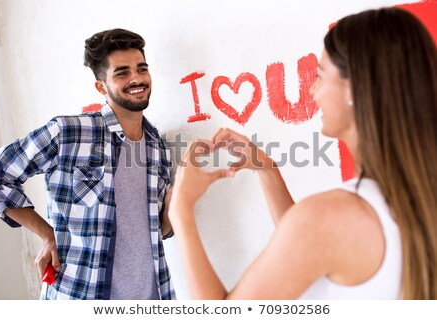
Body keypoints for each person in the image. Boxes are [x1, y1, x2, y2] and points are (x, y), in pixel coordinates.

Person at [169, 7, 437, 299]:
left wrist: (180, 208)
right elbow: (305, 249)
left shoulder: (330, 217)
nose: (311, 91)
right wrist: (266, 167)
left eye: (320, 76)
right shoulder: (416, 197)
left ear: (355, 89)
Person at [0, 29, 176, 300]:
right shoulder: (69, 132)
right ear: (102, 86)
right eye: (122, 72)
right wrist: (47, 234)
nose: (136, 79)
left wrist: (178, 203)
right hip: (80, 294)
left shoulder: (156, 145)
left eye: (141, 69)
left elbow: (159, 231)